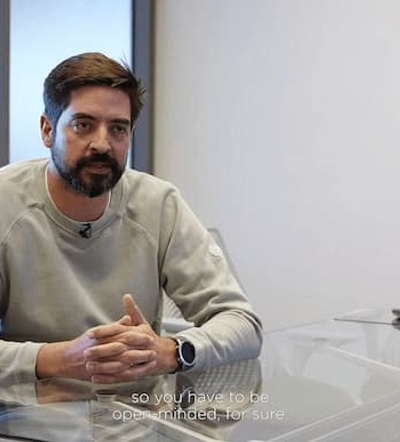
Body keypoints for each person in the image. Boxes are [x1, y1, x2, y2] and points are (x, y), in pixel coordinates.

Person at [0, 52, 263, 385]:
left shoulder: (159, 204)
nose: (102, 144)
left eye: (118, 129)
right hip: (27, 424)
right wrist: (58, 359)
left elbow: (242, 323)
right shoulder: (5, 202)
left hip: (137, 423)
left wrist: (171, 352)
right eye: (83, 125)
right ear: (47, 130)